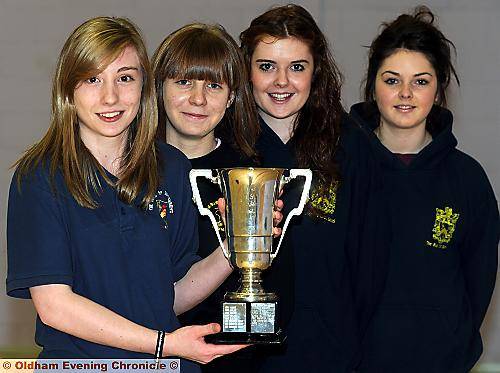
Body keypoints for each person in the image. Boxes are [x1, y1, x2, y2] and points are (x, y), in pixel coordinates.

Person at [4, 16, 279, 369]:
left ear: (143, 87)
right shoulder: (40, 177)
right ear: (68, 91)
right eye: (92, 79)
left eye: (125, 78)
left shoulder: (171, 167)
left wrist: (237, 244)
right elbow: (55, 306)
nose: (110, 96)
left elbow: (171, 295)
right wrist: (163, 343)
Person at [349, 6, 499, 372]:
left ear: (439, 87)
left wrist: (452, 348)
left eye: (420, 81)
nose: (405, 93)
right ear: (372, 85)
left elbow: (478, 285)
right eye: (391, 80)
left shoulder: (467, 179)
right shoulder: (341, 170)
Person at [240, 4, 388, 372]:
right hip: (241, 357)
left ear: (316, 71)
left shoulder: (352, 147)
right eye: (266, 66)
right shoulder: (227, 146)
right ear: (246, 70)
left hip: (330, 353)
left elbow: (371, 265)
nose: (281, 82)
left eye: (297, 67)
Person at [151, 23, 267, 373]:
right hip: (146, 353)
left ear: (232, 97)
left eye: (213, 85)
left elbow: (276, 290)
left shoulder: (251, 178)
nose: (198, 99)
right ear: (159, 88)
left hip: (232, 360)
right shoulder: (129, 172)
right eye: (184, 82)